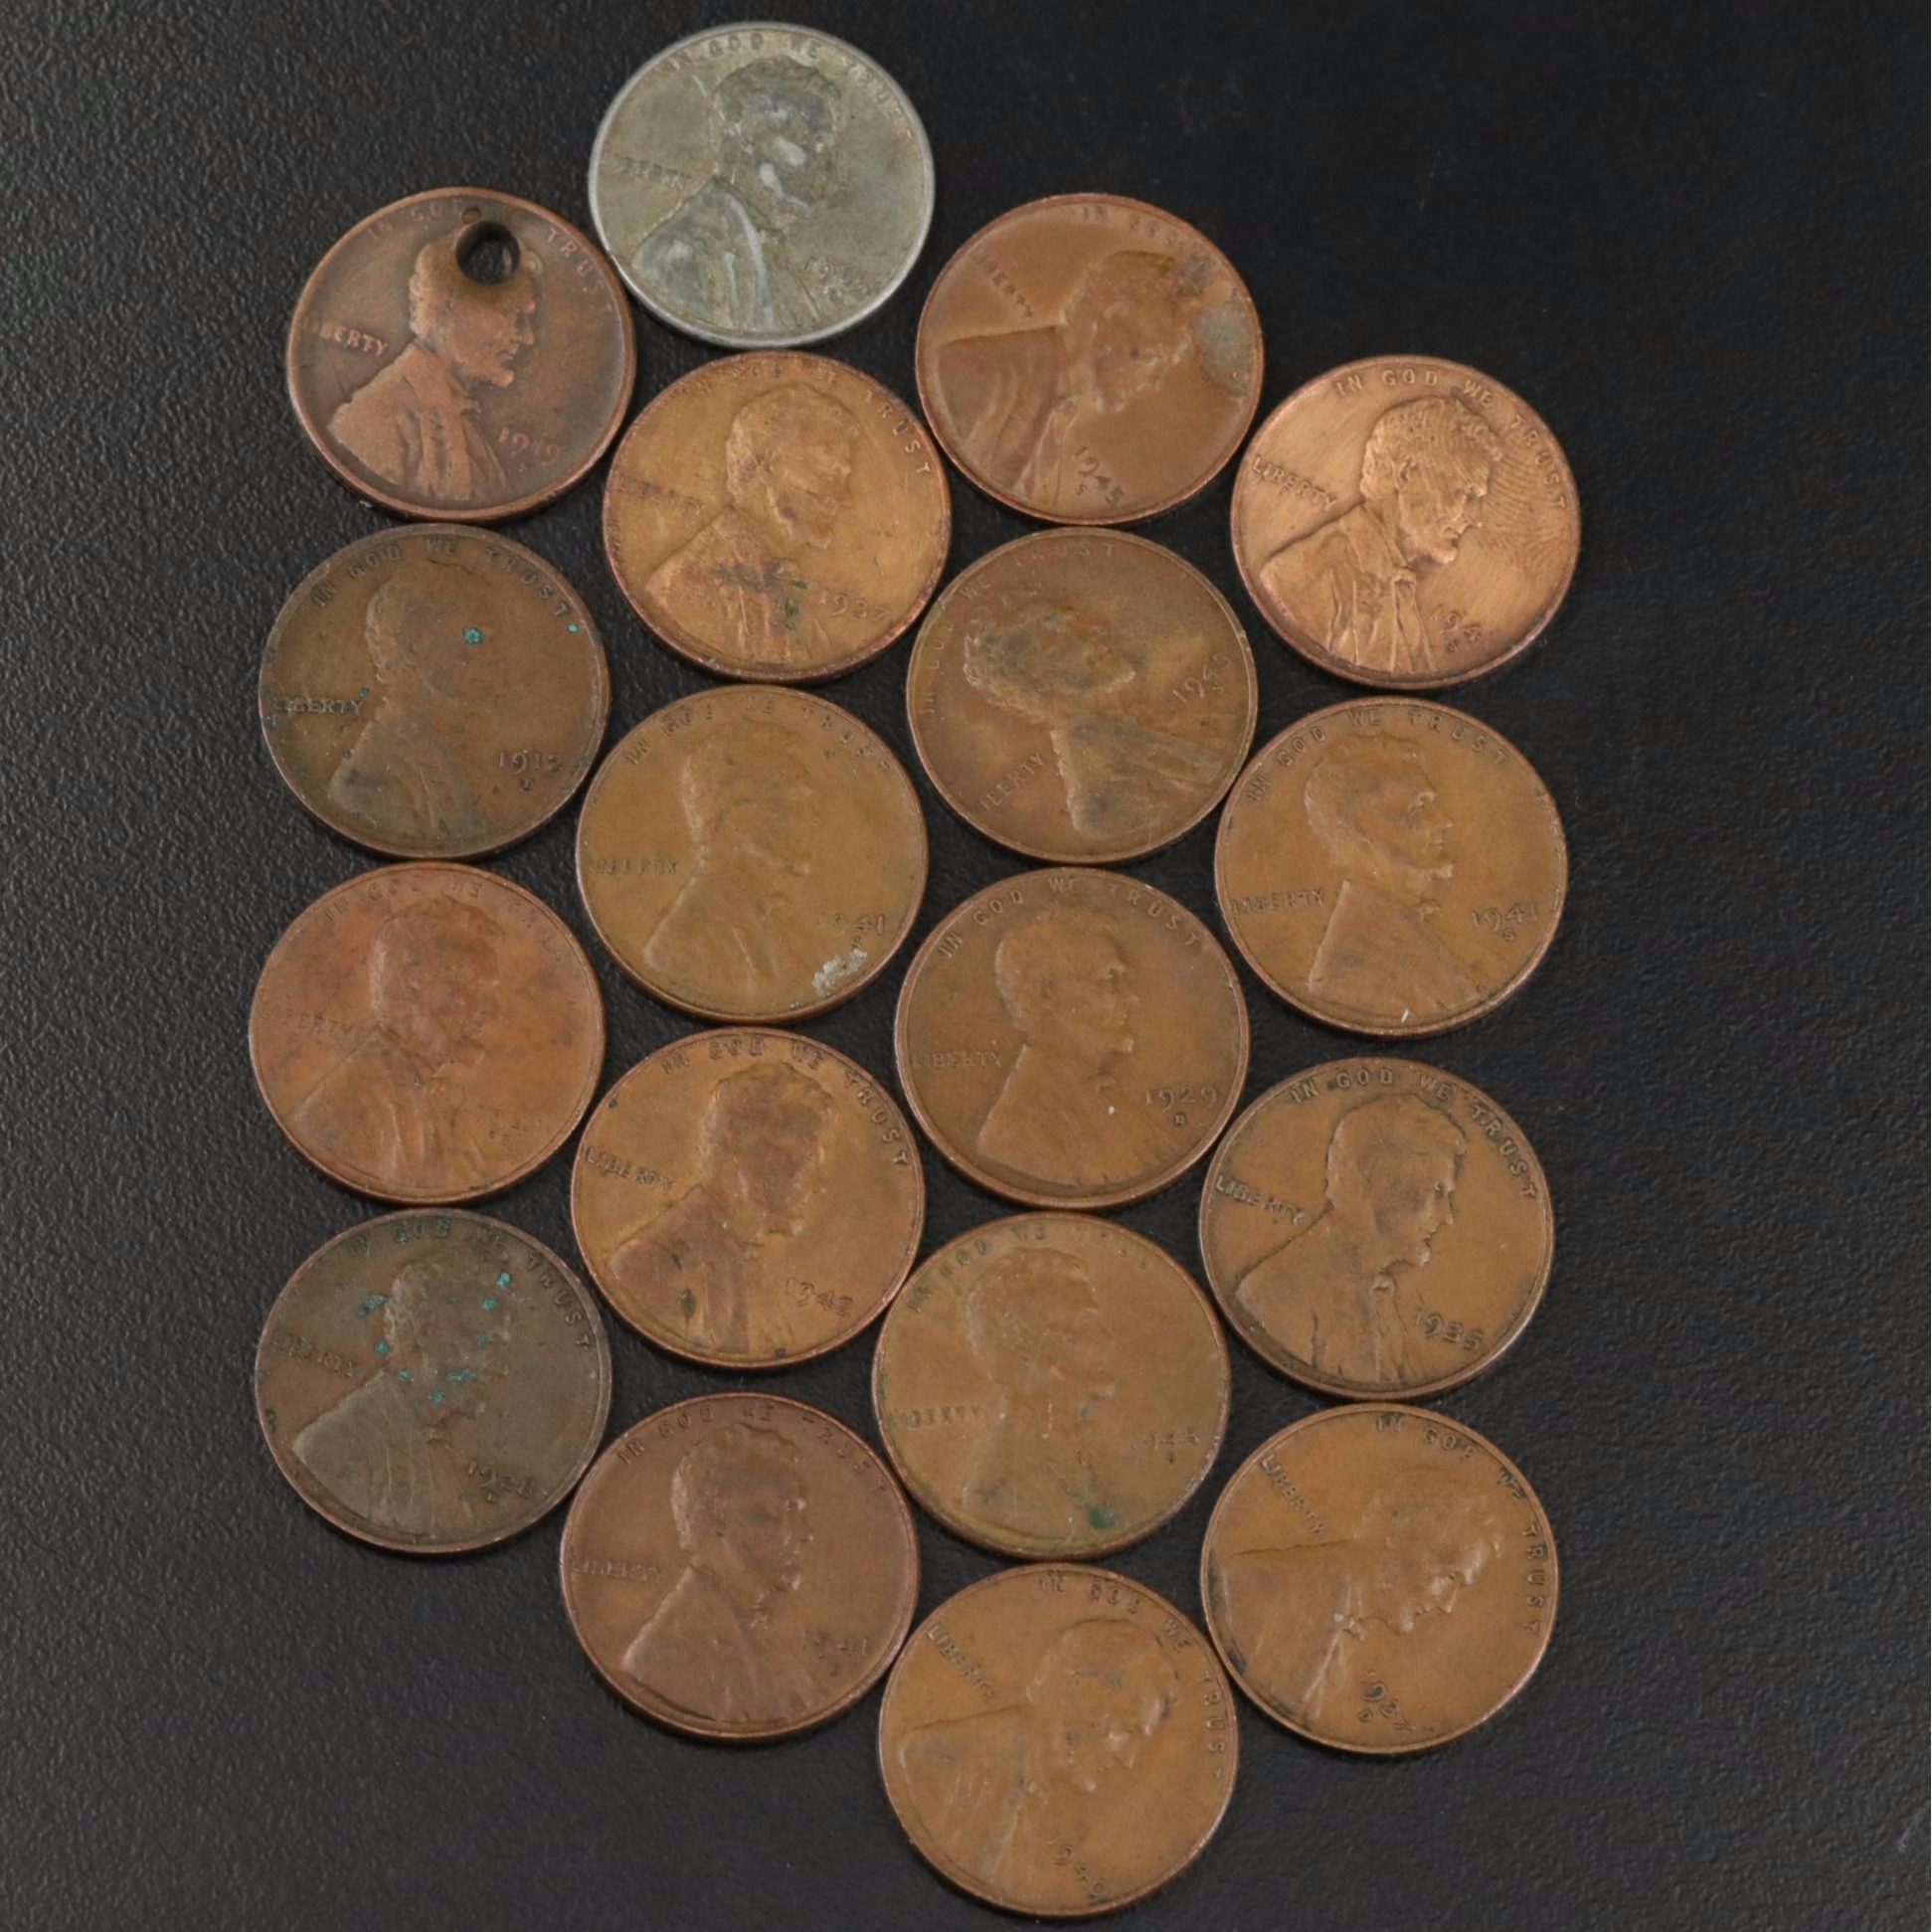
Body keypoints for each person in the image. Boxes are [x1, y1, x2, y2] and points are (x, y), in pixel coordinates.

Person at [896, 1620, 1181, 1895]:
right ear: (1082, 1695)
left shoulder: (1039, 1800)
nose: (1127, 1760)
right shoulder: (934, 1761)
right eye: (1127, 1730)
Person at [1211, 1464, 1504, 1724]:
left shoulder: (1346, 1636)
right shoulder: (1252, 1584)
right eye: (1448, 1576)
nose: (1447, 1604)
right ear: (1400, 1534)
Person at [929, 250, 1205, 507]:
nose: (1153, 380)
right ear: (1104, 320)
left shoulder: (1060, 411)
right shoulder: (968, 369)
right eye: (1150, 355)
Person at [1260, 396, 1503, 677]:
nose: (1475, 517)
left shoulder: (1400, 582)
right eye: (1467, 493)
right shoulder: (1301, 579)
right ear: (1405, 473)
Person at [1233, 1095, 1467, 1383]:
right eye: (1437, 1192)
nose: (1447, 1218)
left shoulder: (1377, 1293)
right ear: (1379, 1184)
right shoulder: (1276, 1293)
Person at [960, 591, 1223, 846]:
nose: (1095, 630)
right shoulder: (1099, 807)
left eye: (1074, 622)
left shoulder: (1135, 732)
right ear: (1037, 678)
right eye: (1060, 635)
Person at [608, 1061, 835, 1356]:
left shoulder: (746, 1260)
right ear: (739, 1143)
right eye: (803, 1161)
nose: (818, 1185)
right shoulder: (648, 1265)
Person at [288, 897, 503, 1192]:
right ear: (411, 984)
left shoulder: (428, 1092)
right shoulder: (343, 1113)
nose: (492, 1011)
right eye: (474, 988)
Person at [291, 1256, 511, 1539]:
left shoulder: (436, 1448)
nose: (501, 1368)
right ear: (428, 1332)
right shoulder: (330, 1448)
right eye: (486, 1343)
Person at [644, 385, 859, 667]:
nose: (845, 500)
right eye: (829, 476)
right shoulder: (685, 585)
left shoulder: (785, 582)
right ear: (772, 466)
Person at [621, 1422, 817, 1726]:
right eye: (784, 1511)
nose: (806, 1534)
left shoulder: (755, 1632)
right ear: (719, 1519)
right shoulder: (665, 1656)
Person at [634, 56, 842, 337]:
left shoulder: (767, 245)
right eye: (813, 143)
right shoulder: (682, 256)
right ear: (747, 140)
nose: (829, 168)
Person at [329, 230, 538, 504]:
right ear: (448, 308)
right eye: (512, 315)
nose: (526, 337)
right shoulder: (370, 419)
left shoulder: (462, 414)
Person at [975, 907, 1171, 1190]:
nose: (1131, 999)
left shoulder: (1115, 1105)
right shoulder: (1014, 1132)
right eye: (1109, 982)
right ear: (1048, 994)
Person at [641, 725, 825, 1005]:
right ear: (739, 817)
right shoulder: (681, 951)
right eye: (794, 798)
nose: (814, 818)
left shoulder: (778, 924)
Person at [1301, 735, 1481, 1019]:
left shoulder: (1400, 925)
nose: (1443, 821)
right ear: (1362, 828)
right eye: (1418, 806)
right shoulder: (1353, 976)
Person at [955, 1247, 1119, 1542]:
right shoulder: (1004, 1494)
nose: (1107, 1338)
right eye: (1084, 1325)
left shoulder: (1072, 1457)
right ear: (1029, 1354)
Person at [327, 564, 490, 843]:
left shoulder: (438, 748)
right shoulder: (365, 785)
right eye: (470, 634)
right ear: (416, 647)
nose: (486, 649)